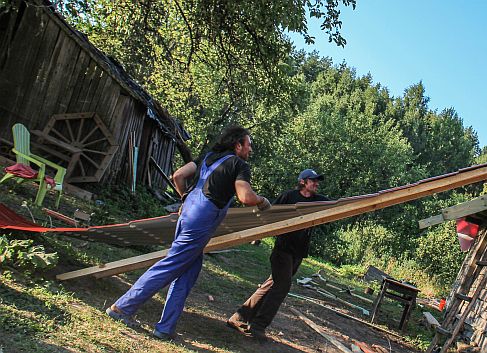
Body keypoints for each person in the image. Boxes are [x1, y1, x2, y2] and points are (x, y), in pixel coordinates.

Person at [105, 126, 271, 339]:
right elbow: (245, 197)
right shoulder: (239, 165)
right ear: (238, 145)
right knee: (171, 264)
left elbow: (178, 175)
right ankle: (122, 308)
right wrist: (262, 201)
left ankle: (165, 328)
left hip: (189, 212)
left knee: (188, 271)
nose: (250, 150)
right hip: (203, 218)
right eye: (249, 145)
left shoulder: (208, 157)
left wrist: (185, 197)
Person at [226, 168, 330, 341]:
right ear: (303, 182)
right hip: (283, 250)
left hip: (298, 254)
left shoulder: (318, 201)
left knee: (270, 285)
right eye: (313, 180)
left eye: (317, 181)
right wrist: (258, 235)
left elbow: (338, 206)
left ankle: (239, 318)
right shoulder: (288, 197)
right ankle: (258, 326)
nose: (316, 183)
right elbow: (269, 215)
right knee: (282, 286)